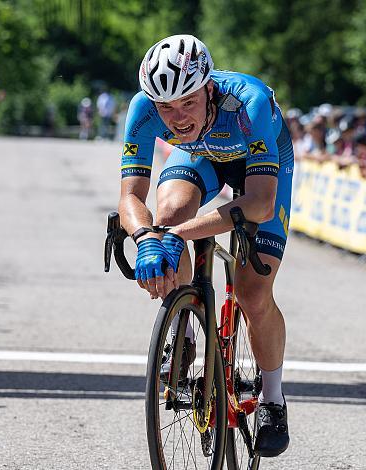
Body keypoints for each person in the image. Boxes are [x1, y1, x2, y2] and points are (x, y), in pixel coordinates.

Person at [118, 34, 292, 458]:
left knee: (253, 292)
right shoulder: (143, 109)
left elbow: (259, 202)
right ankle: (183, 330)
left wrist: (180, 236)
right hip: (199, 157)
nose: (177, 117)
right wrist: (146, 239)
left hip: (261, 168)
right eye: (166, 107)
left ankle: (272, 399)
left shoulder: (246, 102)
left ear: (208, 87)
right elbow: (130, 197)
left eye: (188, 103)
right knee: (168, 215)